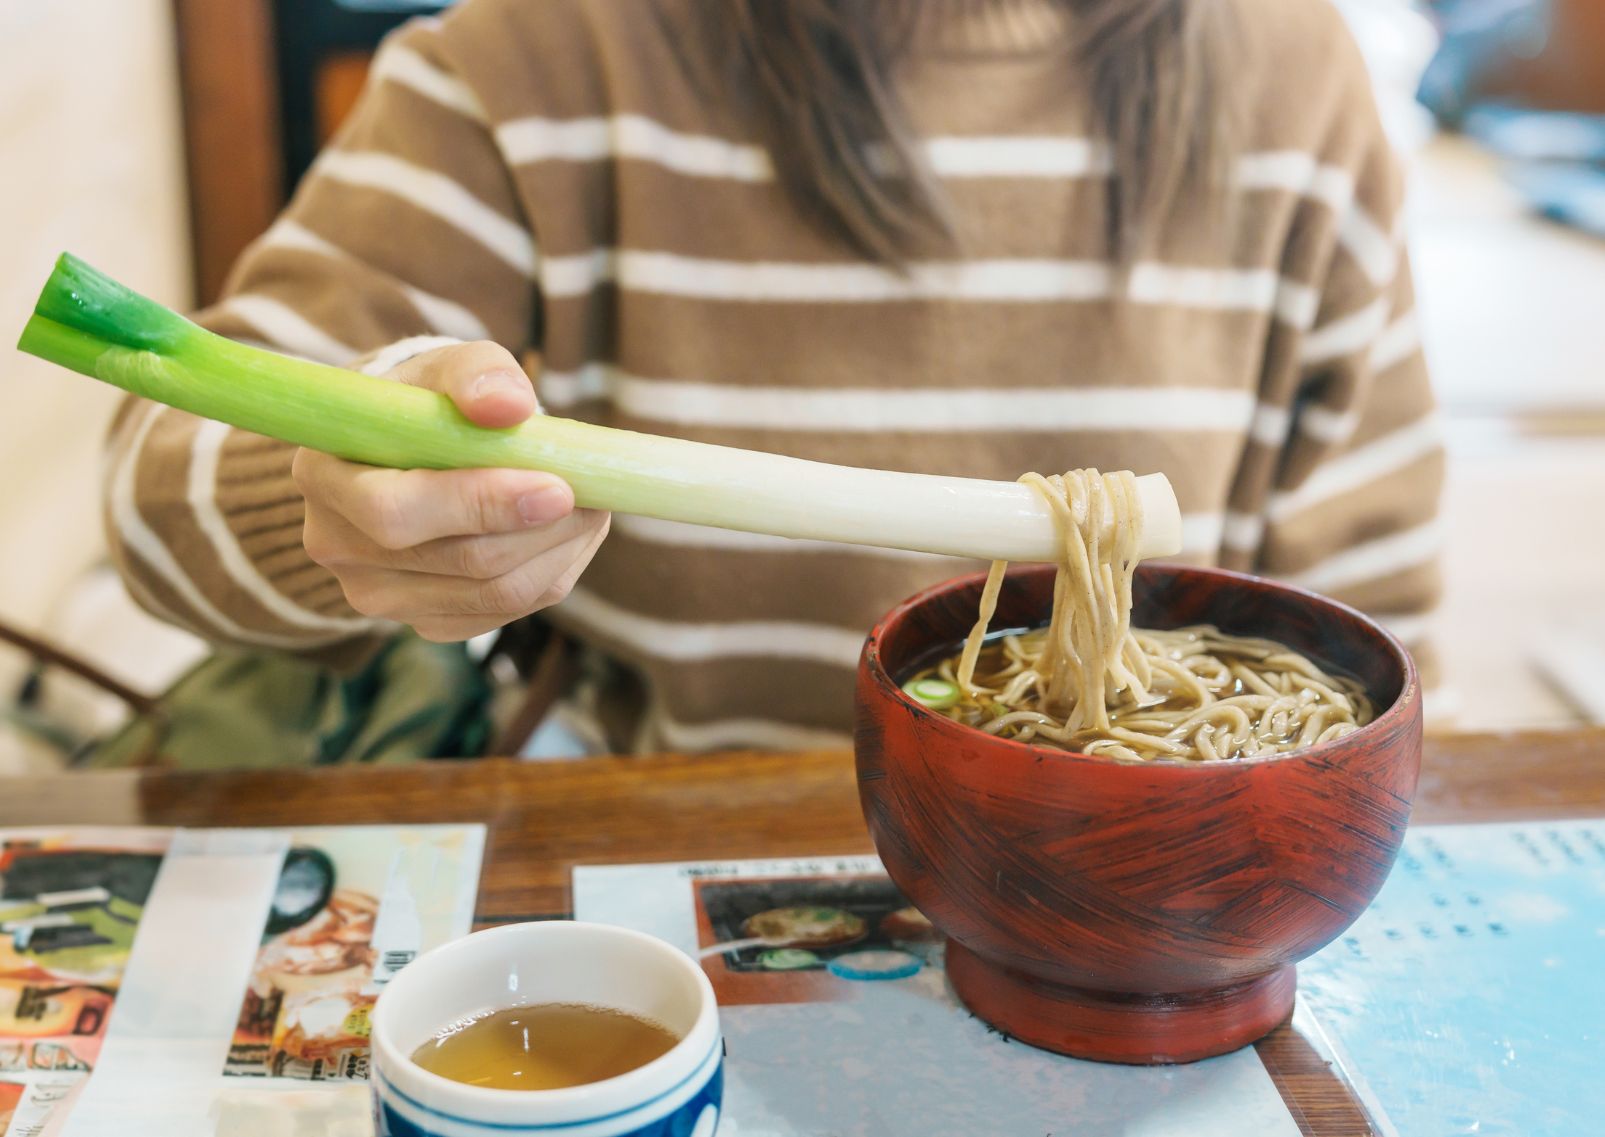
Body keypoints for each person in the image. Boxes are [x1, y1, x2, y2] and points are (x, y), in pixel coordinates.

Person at [104, 0, 1442, 755]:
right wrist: (353, 477)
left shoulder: (1291, 76)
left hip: (1143, 888)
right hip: (659, 859)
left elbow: (1375, 631)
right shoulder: (533, 63)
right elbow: (151, 497)